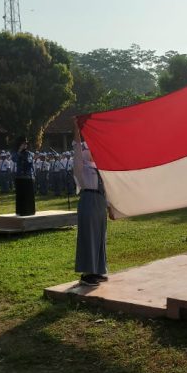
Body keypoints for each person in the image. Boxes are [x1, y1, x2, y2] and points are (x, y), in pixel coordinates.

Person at [72, 118, 112, 287]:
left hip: (100, 202)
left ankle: (97, 270)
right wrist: (76, 128)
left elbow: (107, 188)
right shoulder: (82, 166)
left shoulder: (100, 167)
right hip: (88, 199)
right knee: (89, 236)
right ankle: (87, 273)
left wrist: (110, 207)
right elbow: (77, 146)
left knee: (99, 237)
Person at [12, 137, 36, 216]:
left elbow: (31, 164)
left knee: (29, 195)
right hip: (20, 177)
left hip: (28, 177)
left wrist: (33, 175)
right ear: (20, 145)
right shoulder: (16, 153)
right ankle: (21, 211)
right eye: (23, 144)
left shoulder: (30, 153)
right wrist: (19, 151)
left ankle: (30, 211)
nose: (25, 145)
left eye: (25, 144)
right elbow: (14, 159)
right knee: (21, 195)